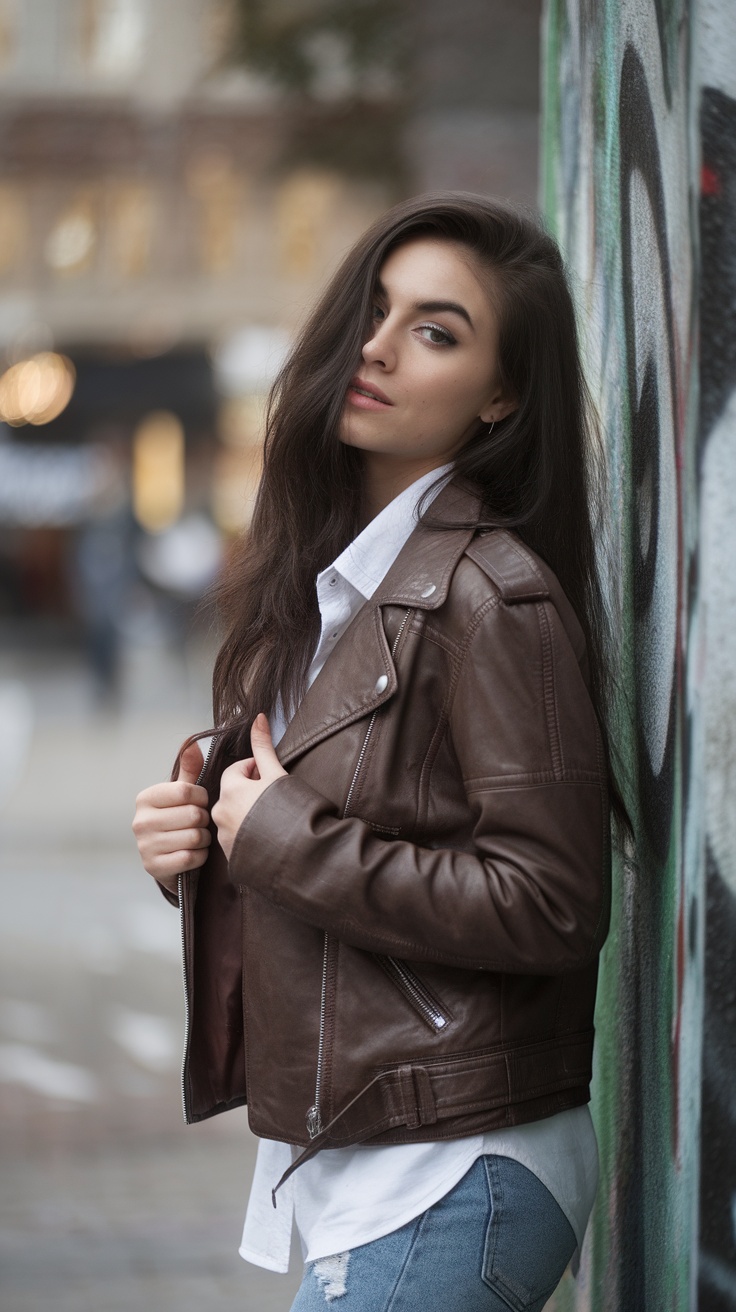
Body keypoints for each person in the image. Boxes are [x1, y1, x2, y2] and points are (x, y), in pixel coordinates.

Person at [133, 192, 616, 1312]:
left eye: (437, 332)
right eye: (374, 309)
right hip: (376, 1170)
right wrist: (198, 838)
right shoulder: (337, 586)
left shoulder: (495, 597)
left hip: (452, 1169)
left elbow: (552, 900)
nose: (379, 348)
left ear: (500, 395)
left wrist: (283, 838)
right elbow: (354, 820)